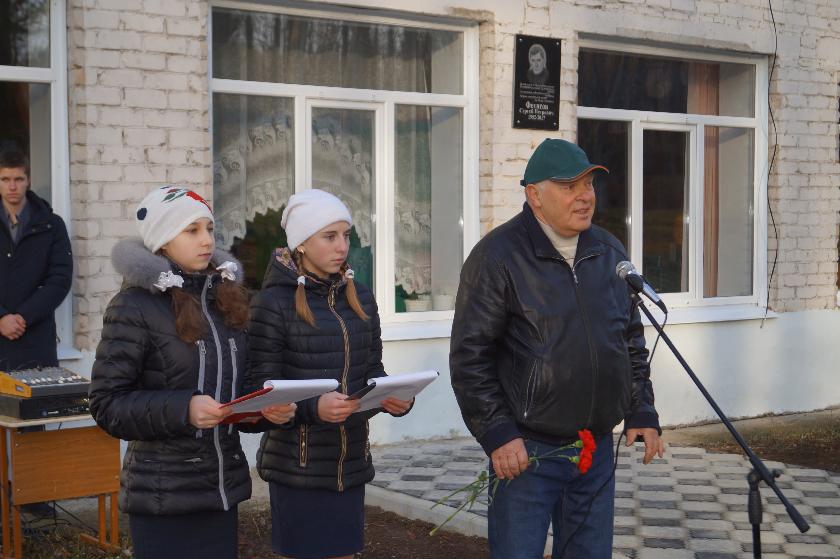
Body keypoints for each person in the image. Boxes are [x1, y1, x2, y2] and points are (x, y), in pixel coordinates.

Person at [449, 139, 665, 559]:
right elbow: (470, 357)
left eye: (589, 185)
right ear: (535, 195)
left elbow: (629, 340)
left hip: (594, 450)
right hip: (526, 452)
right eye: (569, 186)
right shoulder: (497, 257)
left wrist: (641, 409)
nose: (585, 197)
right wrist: (498, 434)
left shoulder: (609, 252)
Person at [89, 185, 296, 559]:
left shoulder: (226, 300)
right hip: (163, 496)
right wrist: (184, 409)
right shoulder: (133, 306)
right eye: (192, 230)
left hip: (220, 492)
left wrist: (265, 410)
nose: (207, 240)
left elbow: (238, 392)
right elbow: (107, 404)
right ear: (163, 241)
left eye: (209, 229)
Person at [246, 188, 413, 559]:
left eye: (346, 235)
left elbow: (372, 370)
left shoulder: (361, 296)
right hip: (297, 469)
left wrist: (390, 397)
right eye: (330, 236)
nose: (342, 246)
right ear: (302, 243)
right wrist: (313, 409)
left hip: (350, 465)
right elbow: (260, 390)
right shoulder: (272, 303)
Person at [0, 148, 72, 371]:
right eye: (5, 179)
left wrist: (23, 317)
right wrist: (1, 318)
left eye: (18, 179)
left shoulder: (52, 225)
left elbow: (60, 279)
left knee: (35, 394)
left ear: (28, 180)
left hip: (36, 338)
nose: (12, 186)